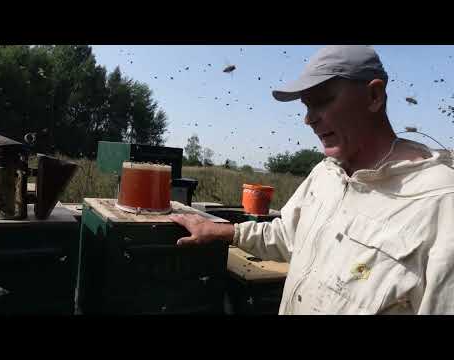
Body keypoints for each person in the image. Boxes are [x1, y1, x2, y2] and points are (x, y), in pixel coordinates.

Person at [169, 45, 454, 315]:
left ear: (374, 96)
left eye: (322, 101)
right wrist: (219, 231)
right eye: (306, 106)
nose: (308, 119)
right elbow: (287, 235)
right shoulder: (326, 173)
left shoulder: (441, 202)